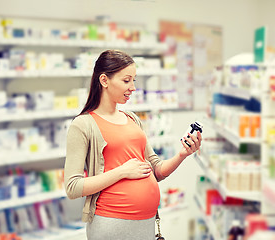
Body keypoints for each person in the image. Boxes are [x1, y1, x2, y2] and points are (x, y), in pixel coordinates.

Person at [64, 49, 202, 240]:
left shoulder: (132, 119)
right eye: (126, 80)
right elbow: (73, 187)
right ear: (104, 80)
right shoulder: (83, 124)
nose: (133, 87)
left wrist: (183, 154)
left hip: (146, 223)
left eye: (134, 80)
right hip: (112, 224)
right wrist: (122, 171)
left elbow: (156, 170)